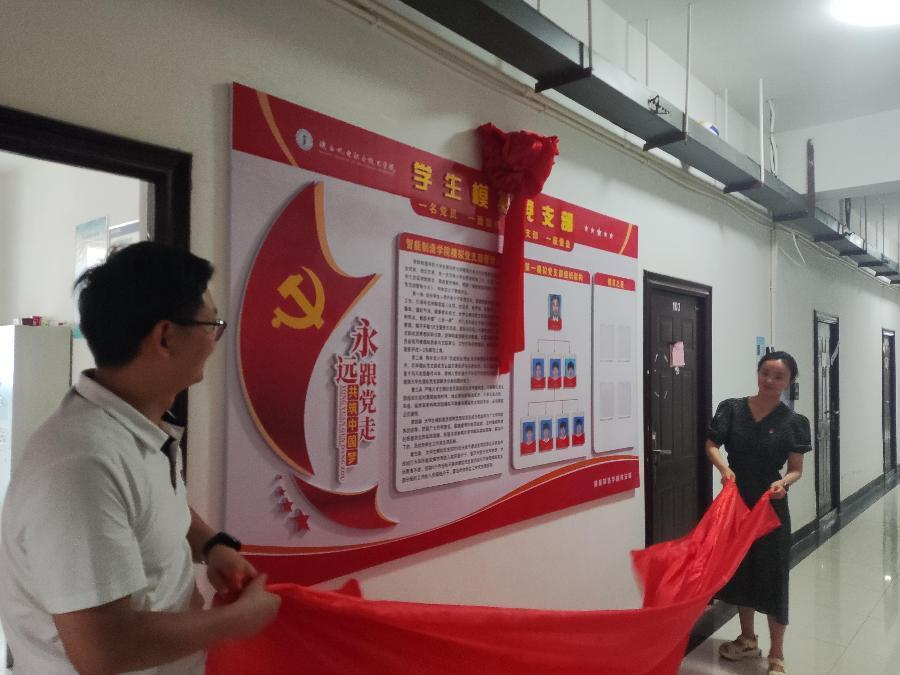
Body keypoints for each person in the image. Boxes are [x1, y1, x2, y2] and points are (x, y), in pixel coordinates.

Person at [0, 242, 280, 674]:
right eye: (211, 325)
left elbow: (148, 506)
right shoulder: (82, 465)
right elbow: (104, 651)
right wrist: (236, 621)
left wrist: (212, 545)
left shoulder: (137, 427)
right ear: (165, 337)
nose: (214, 342)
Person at [705, 351, 811, 675]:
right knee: (741, 570)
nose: (770, 380)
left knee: (774, 575)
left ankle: (777, 653)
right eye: (765, 373)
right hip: (737, 503)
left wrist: (784, 483)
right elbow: (711, 444)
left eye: (778, 377)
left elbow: (796, 469)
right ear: (758, 373)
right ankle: (748, 638)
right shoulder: (732, 409)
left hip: (770, 506)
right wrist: (724, 469)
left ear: (788, 382)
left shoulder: (794, 423)